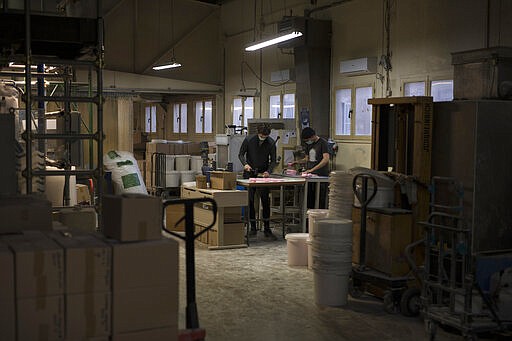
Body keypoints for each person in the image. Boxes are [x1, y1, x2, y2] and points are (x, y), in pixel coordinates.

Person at [238, 123, 277, 240]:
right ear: (258, 133)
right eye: (262, 136)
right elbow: (241, 154)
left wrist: (268, 171)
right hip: (249, 173)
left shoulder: (271, 142)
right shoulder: (249, 140)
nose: (263, 138)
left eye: (265, 136)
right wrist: (245, 164)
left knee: (265, 201)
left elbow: (273, 160)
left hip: (263, 175)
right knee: (249, 201)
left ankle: (267, 228)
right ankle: (253, 228)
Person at [296, 127, 330, 209]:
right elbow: (307, 159)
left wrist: (312, 170)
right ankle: (308, 218)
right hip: (310, 175)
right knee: (309, 198)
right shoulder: (309, 144)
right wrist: (297, 162)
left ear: (313, 136)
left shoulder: (323, 143)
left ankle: (319, 219)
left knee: (319, 199)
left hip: (321, 175)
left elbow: (325, 159)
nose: (308, 141)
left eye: (308, 139)